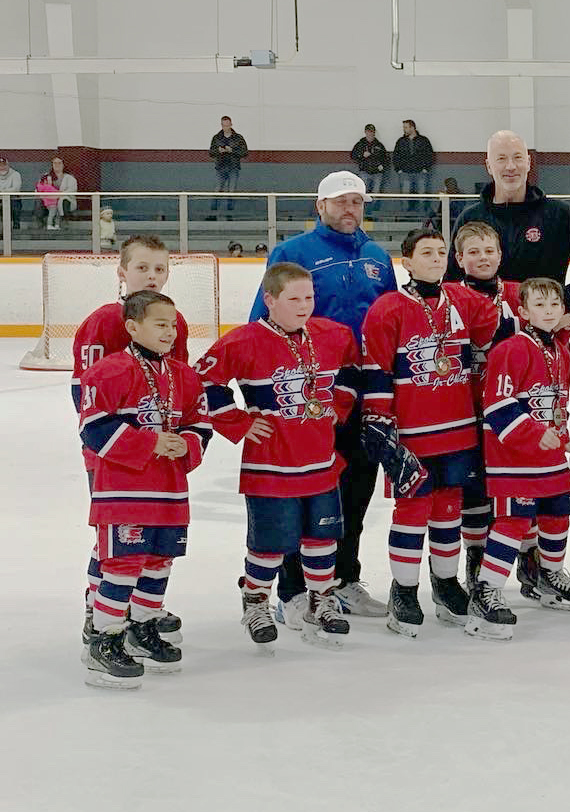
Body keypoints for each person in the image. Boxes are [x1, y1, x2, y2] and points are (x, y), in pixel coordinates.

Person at [250, 170, 398, 621]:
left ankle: (344, 580)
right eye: (340, 202)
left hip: (363, 393)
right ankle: (294, 590)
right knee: (307, 491)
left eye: (356, 201)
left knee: (357, 489)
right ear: (320, 206)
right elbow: (263, 322)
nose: (349, 209)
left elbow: (393, 322)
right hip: (308, 397)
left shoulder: (377, 256)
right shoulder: (293, 253)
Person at [196, 263, 363, 648]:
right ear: (270, 300)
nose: (304, 305)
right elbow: (202, 382)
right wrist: (238, 422)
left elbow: (355, 370)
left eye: (309, 297)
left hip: (321, 461)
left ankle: (322, 601)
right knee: (268, 545)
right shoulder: (242, 341)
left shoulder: (333, 334)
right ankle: (256, 602)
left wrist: (339, 405)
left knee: (322, 539)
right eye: (293, 299)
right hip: (270, 465)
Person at [361, 228, 498, 637]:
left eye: (441, 252)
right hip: (413, 433)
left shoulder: (461, 299)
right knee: (413, 510)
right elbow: (378, 371)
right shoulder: (388, 309)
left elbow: (495, 316)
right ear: (407, 261)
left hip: (458, 431)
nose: (437, 259)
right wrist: (381, 425)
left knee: (449, 509)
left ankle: (445, 584)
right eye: (427, 253)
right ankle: (403, 591)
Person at [77, 290, 210, 689]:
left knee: (159, 562)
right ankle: (105, 638)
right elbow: (93, 428)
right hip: (123, 490)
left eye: (173, 324)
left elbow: (201, 425)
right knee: (123, 565)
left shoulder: (185, 376)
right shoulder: (108, 372)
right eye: (159, 323)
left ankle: (143, 627)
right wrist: (149, 442)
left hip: (169, 490)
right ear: (133, 327)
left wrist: (186, 442)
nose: (169, 331)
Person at [73, 235, 193, 646]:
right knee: (117, 533)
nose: (152, 276)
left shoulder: (170, 320)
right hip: (111, 451)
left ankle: (141, 606)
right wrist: (112, 443)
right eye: (143, 268)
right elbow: (84, 391)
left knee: (153, 532)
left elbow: (177, 385)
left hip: (159, 452)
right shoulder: (104, 320)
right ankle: (100, 606)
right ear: (122, 272)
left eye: (160, 269)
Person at [471, 277, 570, 637]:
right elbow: (497, 404)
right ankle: (486, 590)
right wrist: (538, 435)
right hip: (513, 456)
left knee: (557, 515)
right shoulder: (511, 349)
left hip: (548, 455)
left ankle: (549, 574)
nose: (549, 311)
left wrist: (561, 437)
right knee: (514, 523)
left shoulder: (560, 350)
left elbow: (554, 403)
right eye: (540, 305)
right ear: (523, 311)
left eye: (554, 305)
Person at [447, 221, 522, 592]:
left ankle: (530, 562)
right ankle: (475, 563)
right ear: (459, 259)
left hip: (510, 413)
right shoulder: (448, 297)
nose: (483, 258)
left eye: (489, 251)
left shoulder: (519, 294)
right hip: (464, 411)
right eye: (473, 252)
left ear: (500, 254)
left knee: (518, 489)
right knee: (473, 491)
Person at [450, 129, 570, 286]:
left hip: (548, 318)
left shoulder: (562, 215)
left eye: (517, 157)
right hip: (487, 318)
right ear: (488, 166)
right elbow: (452, 283)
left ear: (529, 162)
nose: (511, 166)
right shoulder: (470, 219)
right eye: (501, 159)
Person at [392, 119, 435, 210]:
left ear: (412, 127)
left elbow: (430, 155)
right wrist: (398, 169)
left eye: (406, 127)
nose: (404, 129)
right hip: (405, 173)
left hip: (420, 173)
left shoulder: (423, 140)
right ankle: (405, 219)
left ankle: (422, 218)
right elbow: (396, 155)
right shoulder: (401, 141)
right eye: (404, 127)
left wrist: (426, 168)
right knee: (405, 197)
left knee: (422, 197)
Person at [209, 116, 248, 214]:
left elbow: (245, 152)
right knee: (217, 190)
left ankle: (229, 214)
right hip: (220, 167)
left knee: (231, 191)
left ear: (231, 125)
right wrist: (218, 150)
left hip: (233, 167)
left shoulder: (238, 138)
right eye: (224, 125)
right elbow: (211, 152)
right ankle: (213, 213)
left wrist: (232, 150)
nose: (226, 127)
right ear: (221, 125)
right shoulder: (216, 137)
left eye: (227, 125)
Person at [35, 156, 77, 230]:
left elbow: (72, 190)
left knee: (64, 201)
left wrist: (58, 195)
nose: (57, 165)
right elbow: (38, 189)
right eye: (55, 163)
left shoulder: (70, 178)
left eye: (59, 163)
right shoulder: (46, 177)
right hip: (49, 200)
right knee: (38, 201)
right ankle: (41, 223)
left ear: (63, 165)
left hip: (63, 199)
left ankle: (63, 222)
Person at [351, 124, 390, 196]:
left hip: (377, 173)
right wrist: (362, 155)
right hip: (364, 172)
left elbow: (386, 158)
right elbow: (353, 156)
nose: (370, 133)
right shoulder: (360, 144)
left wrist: (382, 166)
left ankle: (374, 207)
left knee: (376, 195)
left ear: (374, 133)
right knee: (363, 194)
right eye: (368, 131)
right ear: (365, 132)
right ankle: (364, 207)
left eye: (372, 131)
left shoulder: (379, 145)